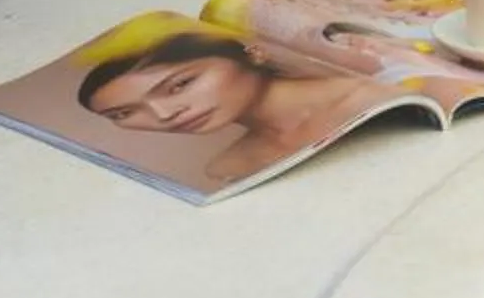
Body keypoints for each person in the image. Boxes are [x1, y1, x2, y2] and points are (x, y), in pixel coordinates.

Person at [75, 30, 386, 185]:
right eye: (123, 114)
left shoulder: (369, 98)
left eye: (180, 84)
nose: (165, 115)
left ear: (253, 54)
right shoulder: (228, 167)